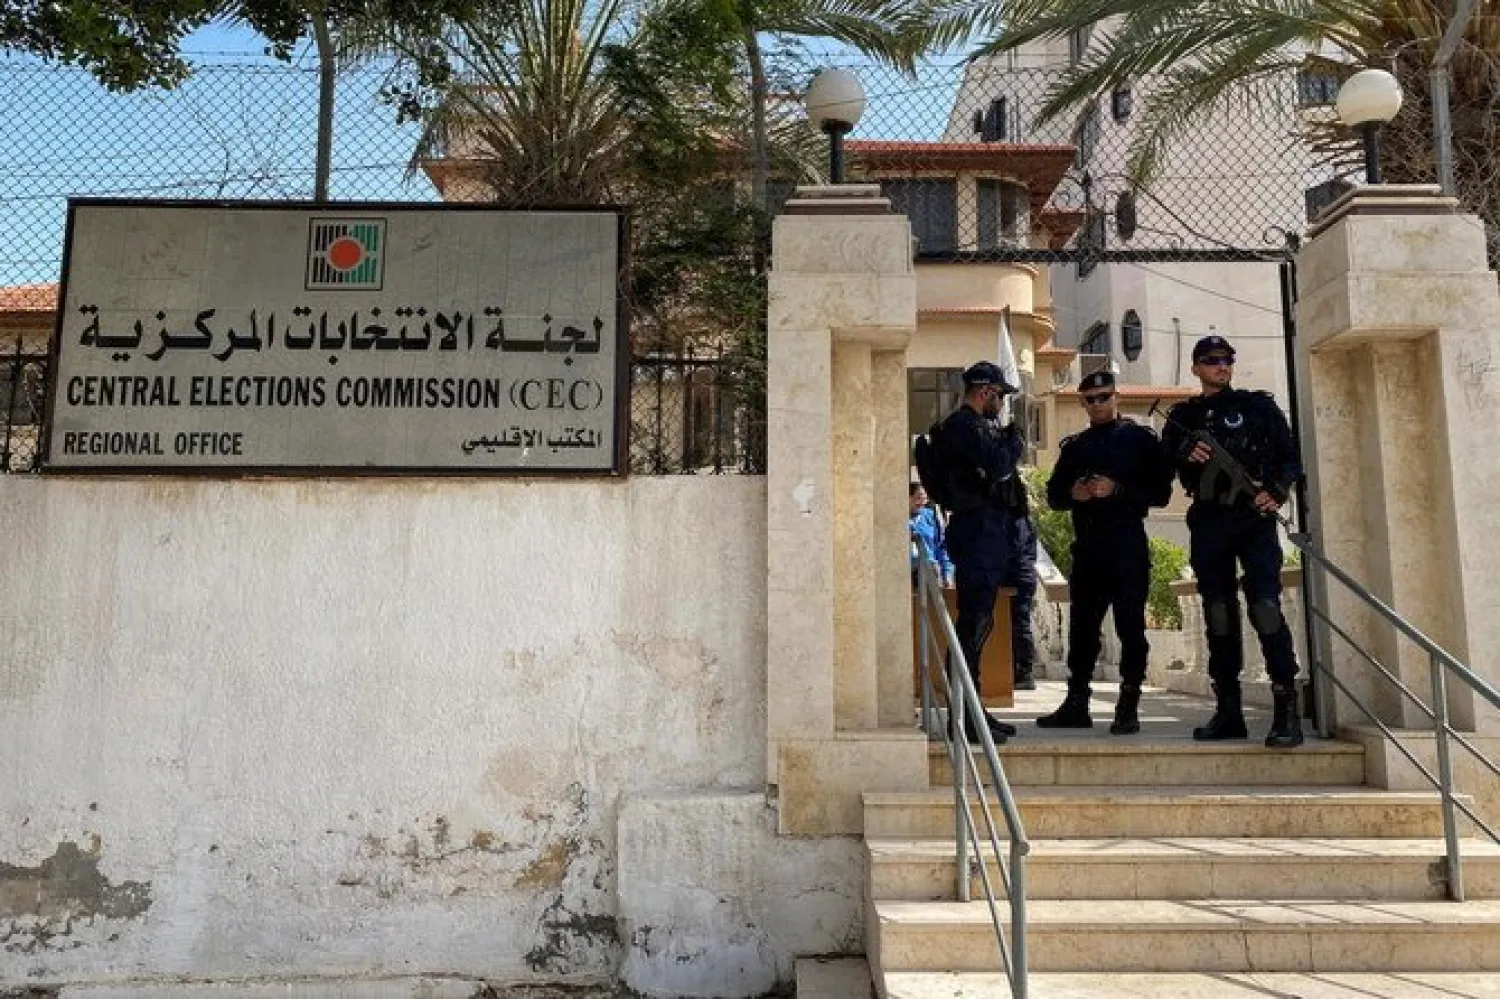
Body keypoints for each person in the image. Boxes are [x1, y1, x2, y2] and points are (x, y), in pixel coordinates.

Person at [1162, 335, 1305, 749]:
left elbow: (1290, 457)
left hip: (1254, 518)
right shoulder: (1182, 417)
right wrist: (1186, 451)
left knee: (1265, 607)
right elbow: (1164, 462)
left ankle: (1286, 708)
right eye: (1211, 361)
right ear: (1196, 368)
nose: (1221, 366)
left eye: (1226, 360)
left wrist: (1275, 491)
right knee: (1218, 612)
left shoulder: (1257, 407)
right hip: (1209, 520)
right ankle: (1228, 710)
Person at [1039, 371, 1174, 734]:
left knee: (1130, 628)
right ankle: (1076, 703)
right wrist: (1075, 495)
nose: (1098, 404)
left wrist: (1117, 490)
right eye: (1091, 399)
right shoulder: (1076, 447)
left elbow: (1160, 493)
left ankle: (1128, 704)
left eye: (1104, 396)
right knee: (1082, 630)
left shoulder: (1138, 440)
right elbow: (1053, 495)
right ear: (1083, 403)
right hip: (1088, 546)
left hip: (1126, 542)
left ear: (1116, 397)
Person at [936, 361, 1027, 744]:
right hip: (976, 532)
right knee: (973, 623)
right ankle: (965, 714)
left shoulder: (975, 428)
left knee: (980, 622)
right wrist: (1014, 440)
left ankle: (974, 708)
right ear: (986, 391)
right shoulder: (963, 427)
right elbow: (1000, 465)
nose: (1002, 404)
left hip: (987, 532)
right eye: (1000, 396)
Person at [1003, 486, 1039, 692]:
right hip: (1021, 576)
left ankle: (1024, 669)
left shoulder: (1014, 521)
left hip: (1017, 577)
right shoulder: (1023, 519)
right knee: (1018, 622)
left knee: (1019, 622)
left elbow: (1013, 551)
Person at [909, 483, 954, 588]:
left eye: (925, 499)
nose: (922, 503)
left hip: (928, 571)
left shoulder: (930, 516)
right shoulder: (895, 519)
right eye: (918, 498)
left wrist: (947, 573)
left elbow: (942, 547)